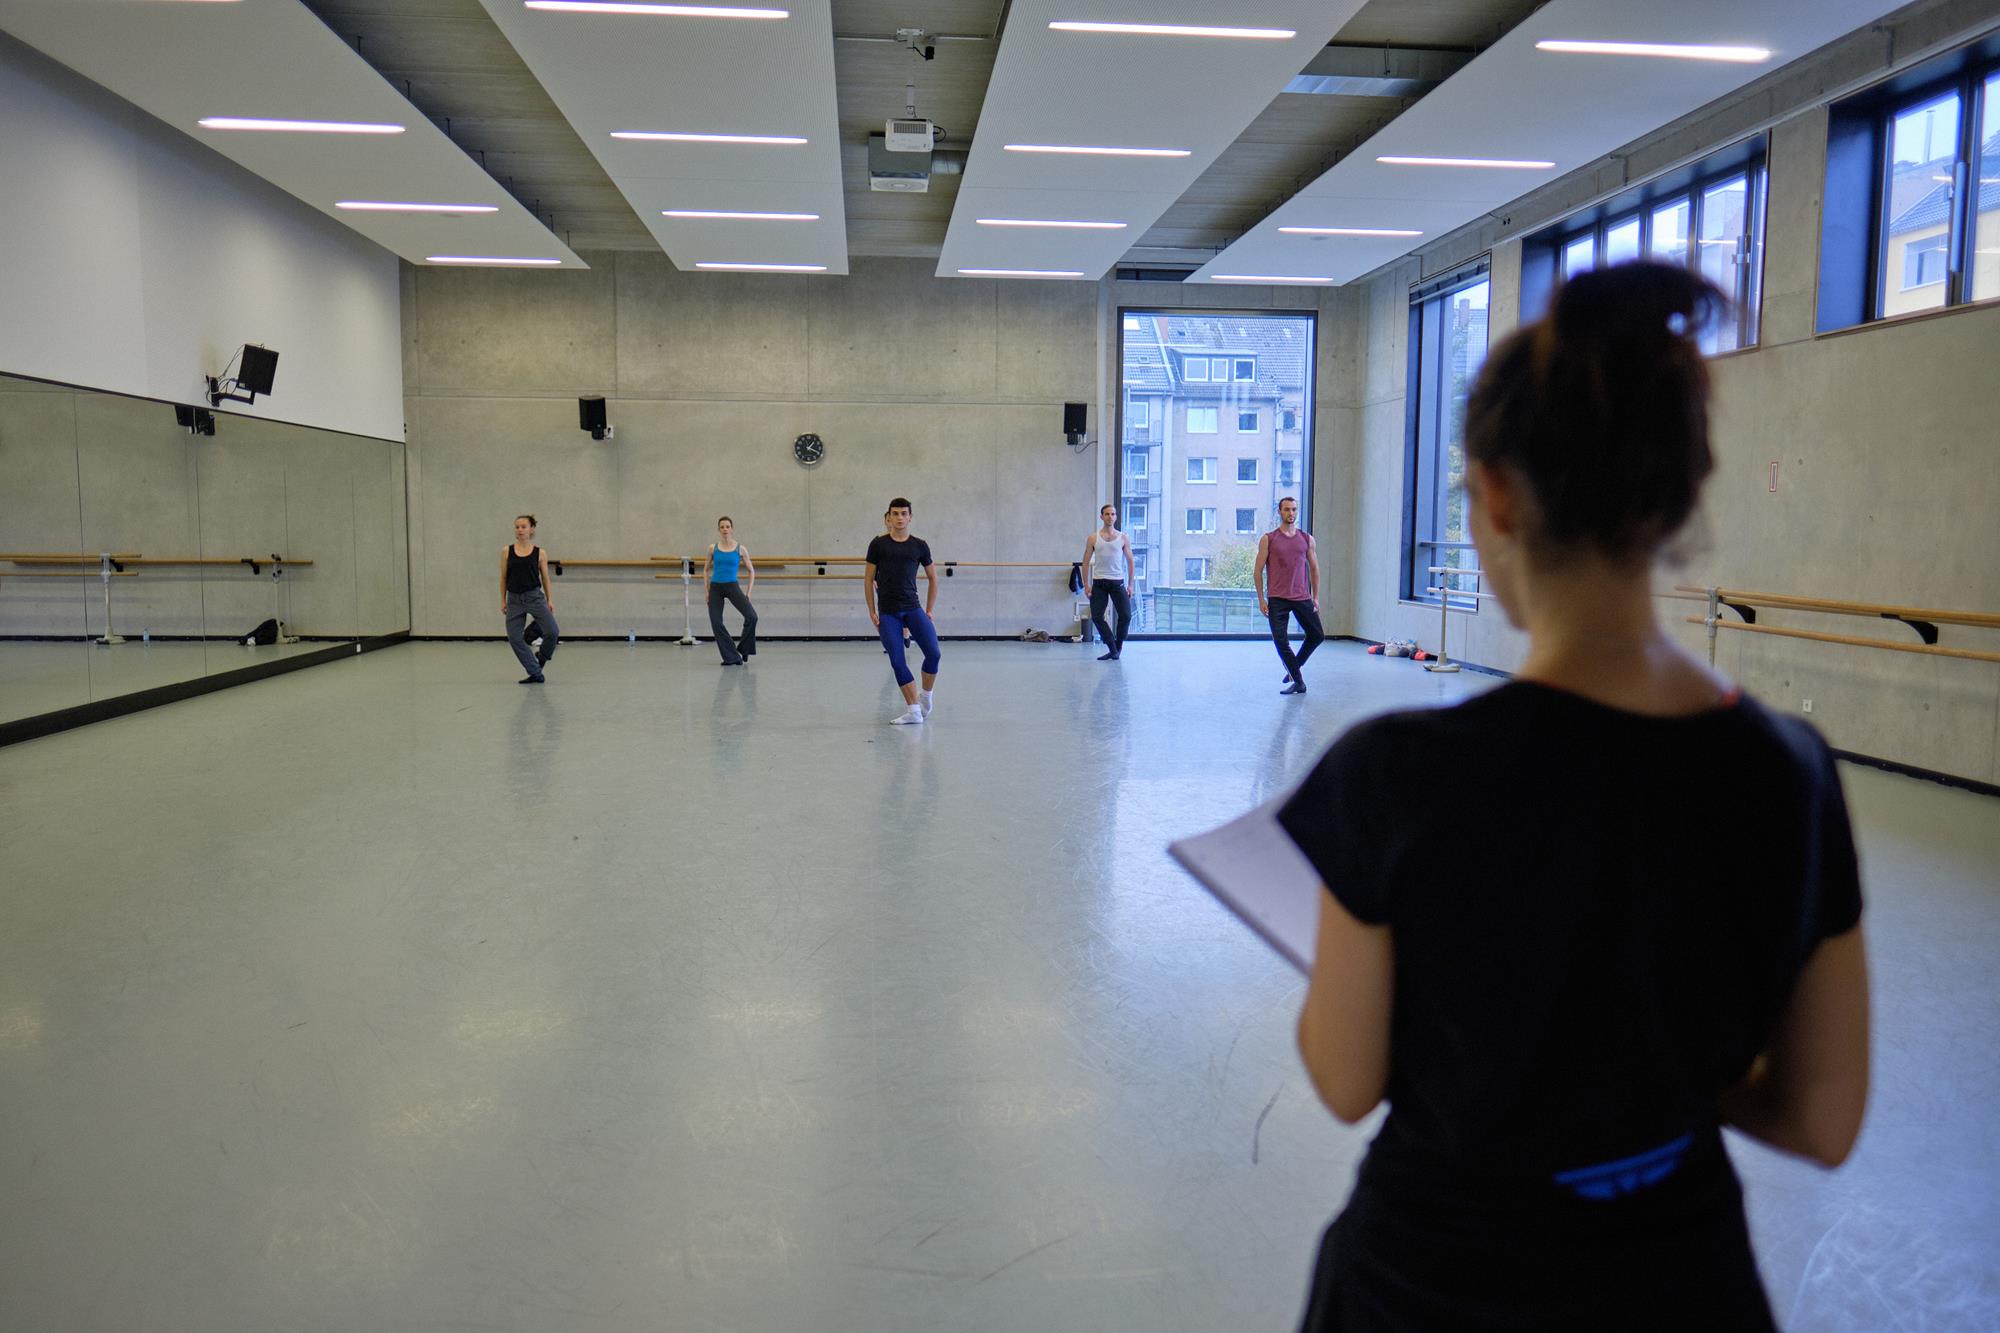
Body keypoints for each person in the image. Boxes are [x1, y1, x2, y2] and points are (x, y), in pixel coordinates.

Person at [1279, 264, 1869, 1331]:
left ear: (1497, 496)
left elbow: (1344, 1076)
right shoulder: (1789, 770)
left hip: (1426, 1288)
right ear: (1678, 489)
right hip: (1684, 1287)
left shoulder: (1393, 774)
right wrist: (1652, 1057)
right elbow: (1822, 1116)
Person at [864, 498, 940, 725]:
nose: (899, 517)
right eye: (895, 513)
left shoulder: (919, 545)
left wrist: (929, 609)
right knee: (897, 660)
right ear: (889, 517)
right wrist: (871, 610)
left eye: (903, 513)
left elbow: (933, 577)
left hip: (913, 608)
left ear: (910, 517)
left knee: (934, 653)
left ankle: (926, 696)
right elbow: (868, 579)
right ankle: (913, 711)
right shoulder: (878, 545)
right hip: (888, 612)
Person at [1255, 496, 1323, 694]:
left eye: (1294, 509)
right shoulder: (1268, 539)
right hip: (1277, 599)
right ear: (1280, 512)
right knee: (1281, 641)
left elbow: (1314, 569)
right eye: (1286, 509)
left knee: (1317, 635)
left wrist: (1315, 597)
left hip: (1302, 597)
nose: (1291, 513)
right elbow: (1257, 570)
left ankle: (1294, 669)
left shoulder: (1307, 539)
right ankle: (1299, 682)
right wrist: (1261, 599)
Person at [501, 514, 558, 684]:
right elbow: (503, 577)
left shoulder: (540, 553)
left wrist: (549, 599)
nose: (520, 530)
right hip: (514, 599)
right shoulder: (507, 551)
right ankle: (535, 672)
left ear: (531, 529)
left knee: (552, 632)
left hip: (534, 597)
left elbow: (545, 578)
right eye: (517, 527)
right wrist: (502, 600)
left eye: (523, 527)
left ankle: (542, 657)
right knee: (514, 638)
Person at [1081, 503, 1135, 661]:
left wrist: (1130, 585)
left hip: (1118, 582)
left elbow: (1130, 561)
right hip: (1099, 583)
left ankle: (1117, 648)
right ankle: (1112, 648)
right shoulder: (1093, 538)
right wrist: (1086, 585)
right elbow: (1085, 562)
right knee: (1097, 617)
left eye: (1112, 514)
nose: (1110, 517)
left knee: (1126, 616)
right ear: (1101, 517)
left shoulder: (1123, 538)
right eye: (1107, 514)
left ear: (1116, 517)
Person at [705, 516, 758, 666]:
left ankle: (744, 649)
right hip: (715, 588)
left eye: (727, 526)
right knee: (716, 623)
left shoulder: (740, 549)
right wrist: (707, 591)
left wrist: (749, 592)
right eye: (722, 527)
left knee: (752, 617)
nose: (725, 529)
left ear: (732, 529)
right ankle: (731, 657)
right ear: (718, 530)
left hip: (732, 586)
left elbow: (751, 571)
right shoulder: (712, 548)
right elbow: (705, 569)